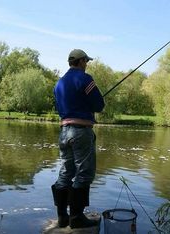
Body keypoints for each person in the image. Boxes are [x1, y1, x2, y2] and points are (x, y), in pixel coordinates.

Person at [51, 49, 105, 229]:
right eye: (86, 61)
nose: (87, 64)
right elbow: (99, 104)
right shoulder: (85, 79)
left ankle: (62, 217)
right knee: (84, 173)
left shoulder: (58, 84)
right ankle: (76, 217)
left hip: (64, 131)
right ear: (81, 61)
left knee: (66, 172)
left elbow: (60, 108)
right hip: (81, 131)